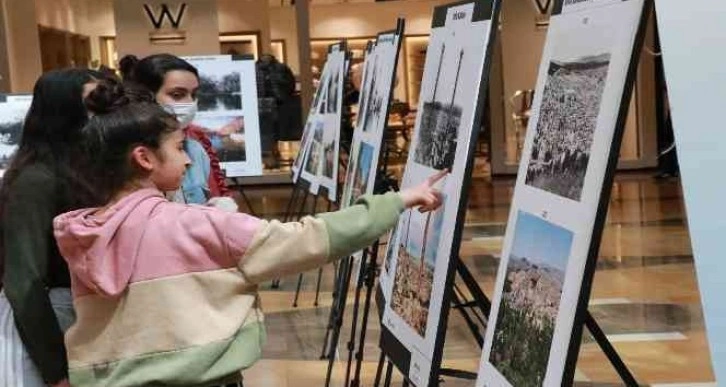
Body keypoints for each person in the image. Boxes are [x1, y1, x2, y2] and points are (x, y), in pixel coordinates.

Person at [52, 80, 444, 386]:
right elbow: (307, 238)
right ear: (144, 157)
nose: (189, 158)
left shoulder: (86, 233)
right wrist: (396, 201)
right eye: (178, 147)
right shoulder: (198, 225)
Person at [0, 69, 103, 387]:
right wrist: (55, 368)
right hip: (43, 328)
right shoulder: (35, 179)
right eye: (93, 102)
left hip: (81, 323)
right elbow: (24, 280)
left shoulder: (87, 169)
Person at [125, 53, 229, 203]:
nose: (190, 103)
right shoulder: (122, 153)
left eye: (193, 94)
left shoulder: (195, 149)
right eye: (177, 94)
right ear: (146, 96)